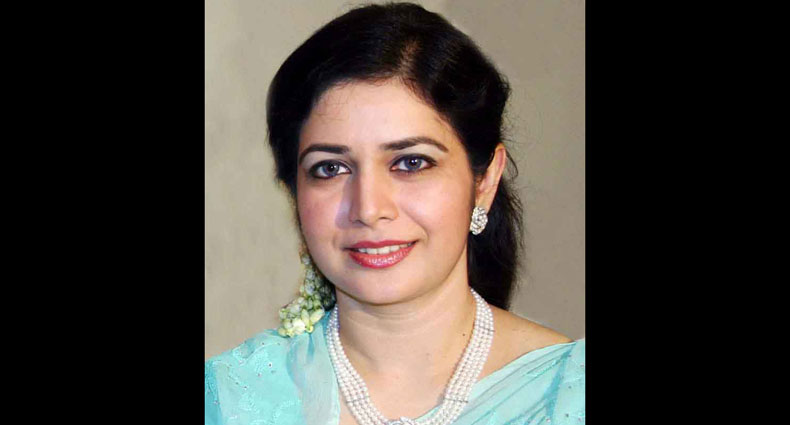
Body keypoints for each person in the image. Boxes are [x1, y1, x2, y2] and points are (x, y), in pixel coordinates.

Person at [205, 3, 584, 424]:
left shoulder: (568, 396)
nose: (369, 209)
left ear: (485, 181)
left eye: (411, 163)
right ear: (294, 191)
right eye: (330, 169)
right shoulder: (229, 400)